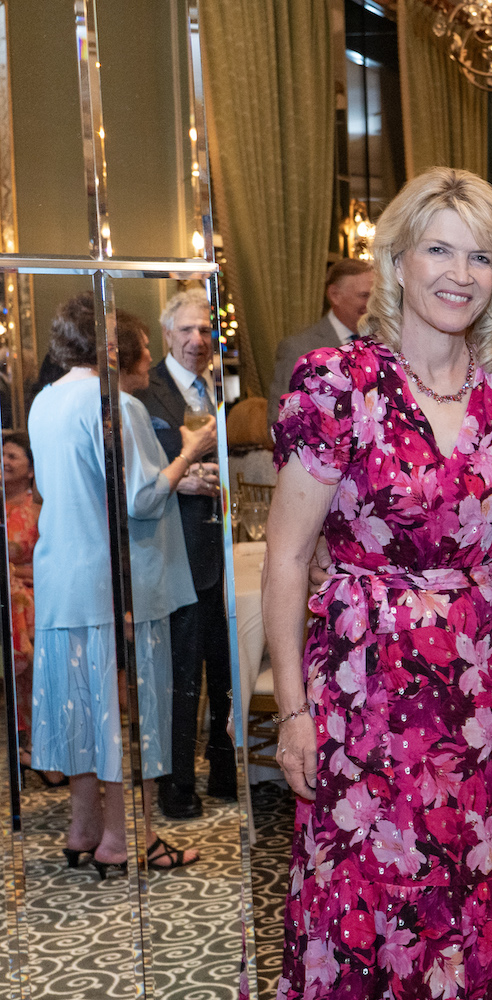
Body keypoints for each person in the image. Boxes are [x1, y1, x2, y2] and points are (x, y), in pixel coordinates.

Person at [264, 166, 492, 999]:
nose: (461, 274)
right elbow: (287, 556)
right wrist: (292, 712)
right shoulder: (337, 384)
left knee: (479, 895)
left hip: (478, 694)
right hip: (364, 692)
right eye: (440, 250)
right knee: (368, 898)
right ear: (396, 262)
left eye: (482, 258)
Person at [30, 296, 213, 877]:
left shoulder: (45, 400)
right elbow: (141, 496)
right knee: (125, 712)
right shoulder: (116, 402)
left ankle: (85, 827)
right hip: (114, 580)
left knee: (82, 709)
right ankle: (132, 837)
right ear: (111, 345)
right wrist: (189, 452)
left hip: (61, 573)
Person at [134, 287, 233, 819]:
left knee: (222, 669)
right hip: (174, 551)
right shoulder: (145, 395)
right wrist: (183, 478)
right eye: (188, 330)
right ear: (168, 334)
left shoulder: (221, 387)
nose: (198, 340)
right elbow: (137, 476)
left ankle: (223, 774)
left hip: (220, 549)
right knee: (180, 674)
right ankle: (177, 788)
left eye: (206, 330)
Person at [266, 257, 375, 430]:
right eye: (364, 296)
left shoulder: (382, 343)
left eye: (376, 296)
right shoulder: (300, 348)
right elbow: (280, 421)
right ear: (335, 295)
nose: (372, 304)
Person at [5, 431, 40, 762]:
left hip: (33, 594)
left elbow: (20, 550)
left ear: (31, 469)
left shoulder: (35, 508)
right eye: (1, 454)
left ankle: (35, 746)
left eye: (13, 456)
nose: (4, 461)